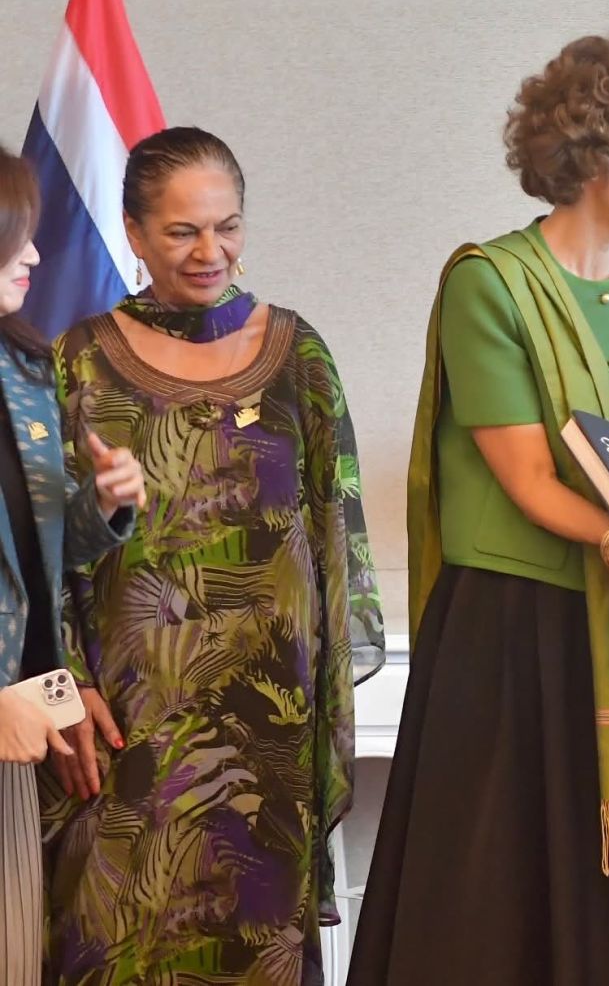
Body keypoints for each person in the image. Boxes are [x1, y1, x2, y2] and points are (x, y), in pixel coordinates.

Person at [347, 34, 609, 986]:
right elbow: (532, 481)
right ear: (596, 149)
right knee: (499, 912)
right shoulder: (487, 283)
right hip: (512, 639)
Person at [43, 127, 385, 985]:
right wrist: (68, 683)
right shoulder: (79, 362)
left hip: (270, 723)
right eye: (182, 231)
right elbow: (41, 546)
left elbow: (337, 533)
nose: (211, 252)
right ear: (133, 231)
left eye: (227, 227)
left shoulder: (299, 356)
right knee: (117, 935)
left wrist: (327, 690)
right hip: (129, 724)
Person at [0, 146, 143, 986]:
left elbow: (40, 557)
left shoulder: (23, 370)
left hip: (22, 731)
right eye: (16, 235)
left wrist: (106, 503)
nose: (34, 254)